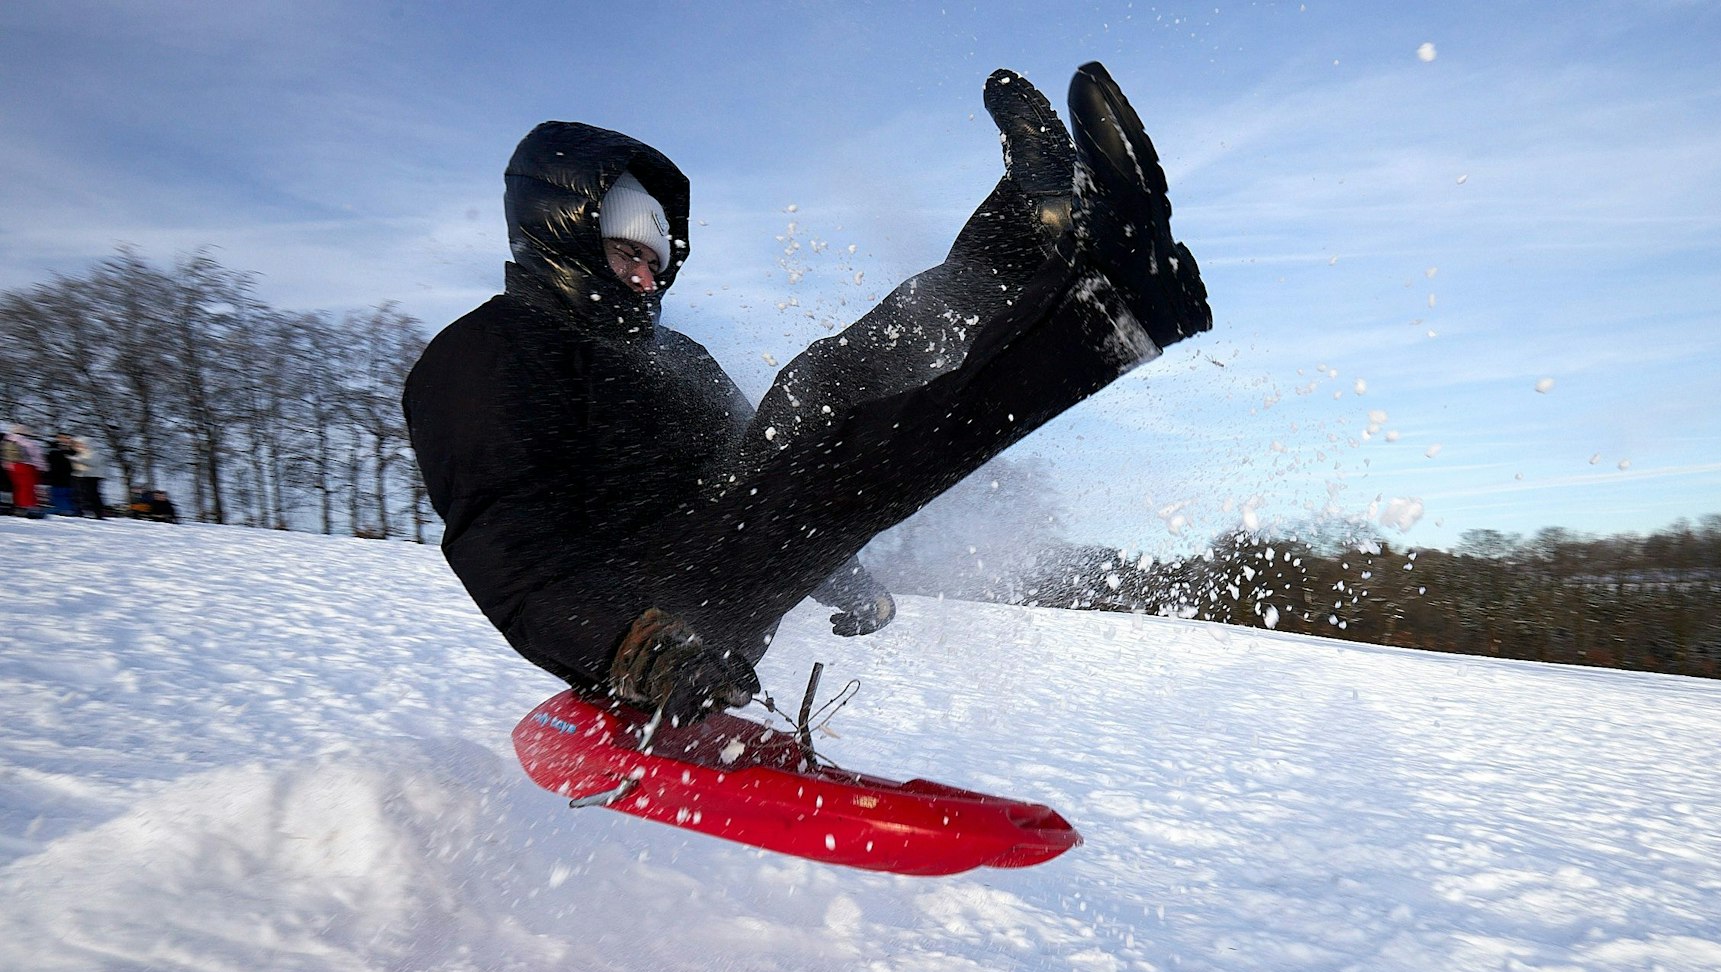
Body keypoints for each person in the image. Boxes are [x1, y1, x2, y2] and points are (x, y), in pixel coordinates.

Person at [405, 63, 1210, 726]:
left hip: (711, 574)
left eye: (657, 249)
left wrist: (841, 575)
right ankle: (1106, 313)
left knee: (818, 387)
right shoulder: (485, 352)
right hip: (641, 634)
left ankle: (1032, 225)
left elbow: (757, 464)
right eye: (628, 245)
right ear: (558, 224)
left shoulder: (668, 355)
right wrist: (633, 646)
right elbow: (504, 543)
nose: (650, 269)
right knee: (830, 462)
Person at [3, 425, 45, 519]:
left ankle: (17, 507)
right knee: (27, 488)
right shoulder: (27, 442)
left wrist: (7, 466)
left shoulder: (7, 441)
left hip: (12, 468)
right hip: (27, 466)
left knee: (17, 487)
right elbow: (36, 455)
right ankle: (27, 507)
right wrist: (42, 467)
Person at [67, 436, 106, 518]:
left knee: (92, 494)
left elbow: (92, 462)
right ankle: (84, 510)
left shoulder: (94, 453)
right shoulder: (80, 454)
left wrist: (76, 460)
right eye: (77, 444)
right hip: (83, 476)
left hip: (93, 476)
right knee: (82, 493)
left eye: (81, 444)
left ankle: (97, 512)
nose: (79, 446)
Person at [45, 435, 77, 516]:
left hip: (57, 480)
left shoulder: (52, 454)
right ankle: (69, 510)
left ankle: (66, 510)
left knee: (59, 497)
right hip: (65, 480)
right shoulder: (64, 454)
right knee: (65, 497)